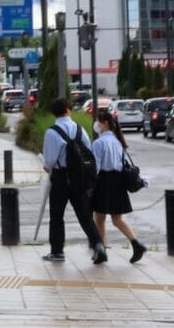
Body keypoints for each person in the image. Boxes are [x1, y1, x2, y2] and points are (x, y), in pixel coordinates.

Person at [42, 98, 107, 264]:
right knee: (85, 215)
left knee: (57, 215)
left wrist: (48, 166)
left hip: (60, 178)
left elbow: (49, 161)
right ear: (68, 110)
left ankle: (57, 251)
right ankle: (99, 245)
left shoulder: (52, 132)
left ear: (54, 112)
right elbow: (88, 150)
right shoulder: (79, 129)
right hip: (80, 178)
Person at [91, 109, 147, 263]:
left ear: (105, 123)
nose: (96, 124)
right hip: (118, 182)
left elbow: (95, 168)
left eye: (98, 121)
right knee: (117, 219)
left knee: (100, 219)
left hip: (104, 181)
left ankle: (101, 250)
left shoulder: (99, 143)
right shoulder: (118, 142)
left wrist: (90, 186)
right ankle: (136, 243)